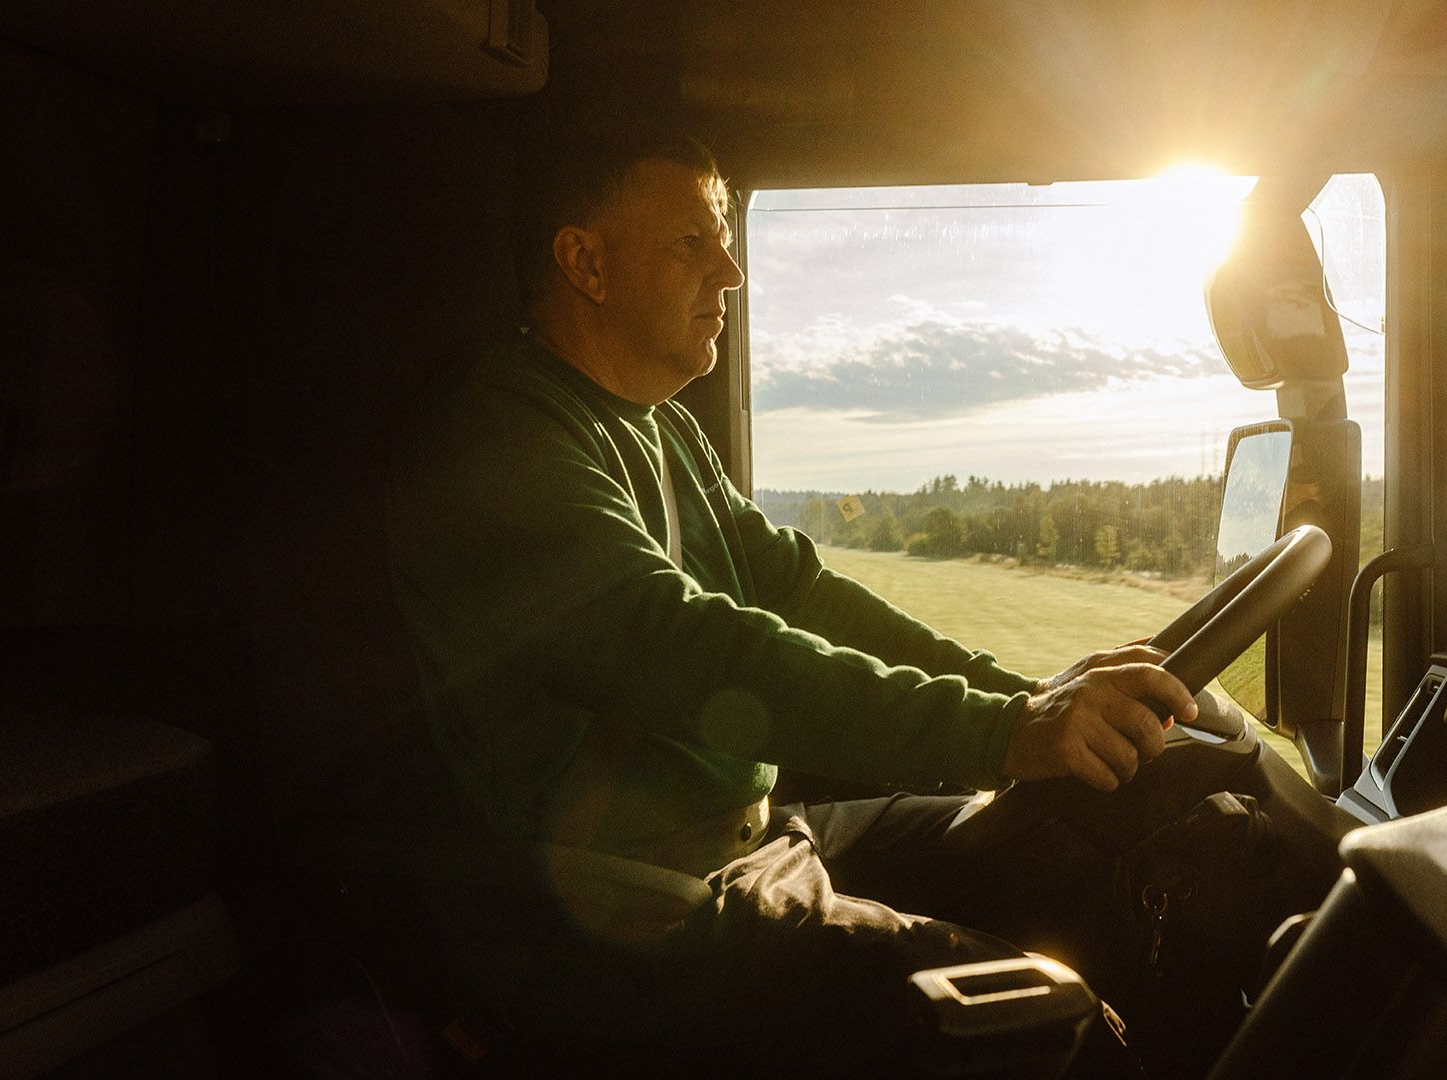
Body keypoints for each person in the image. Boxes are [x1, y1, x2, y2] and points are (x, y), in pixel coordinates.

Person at [385, 131, 1211, 1075]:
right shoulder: (500, 442)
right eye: (692, 243)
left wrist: (1031, 695)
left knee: (1070, 850)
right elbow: (686, 646)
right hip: (624, 906)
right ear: (586, 263)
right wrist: (1004, 729)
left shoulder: (666, 434)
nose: (731, 270)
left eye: (726, 238)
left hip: (752, 839)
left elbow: (803, 594)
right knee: (1049, 1031)